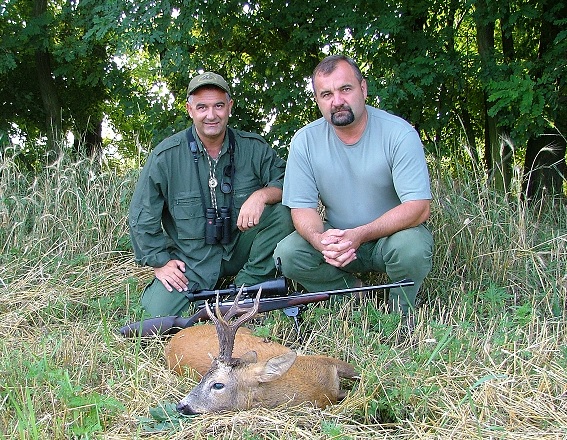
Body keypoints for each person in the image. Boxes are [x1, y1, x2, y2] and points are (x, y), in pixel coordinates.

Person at [274, 55, 433, 326]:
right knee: (287, 253)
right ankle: (353, 300)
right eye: (326, 94)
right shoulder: (304, 141)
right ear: (318, 100)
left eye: (345, 89)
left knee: (413, 248)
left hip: (390, 237)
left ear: (363, 89)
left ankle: (399, 315)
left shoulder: (399, 134)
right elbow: (302, 209)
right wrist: (319, 240)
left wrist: (359, 235)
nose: (336, 101)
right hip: (340, 240)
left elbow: (419, 208)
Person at [129, 72, 294, 317]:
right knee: (158, 312)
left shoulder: (253, 147)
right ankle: (208, 294)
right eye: (202, 107)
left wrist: (261, 195)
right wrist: (159, 262)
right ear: (189, 110)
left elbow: (287, 182)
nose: (211, 115)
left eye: (218, 106)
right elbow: (142, 213)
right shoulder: (166, 156)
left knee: (284, 212)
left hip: (239, 246)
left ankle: (246, 286)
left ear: (229, 107)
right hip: (192, 260)